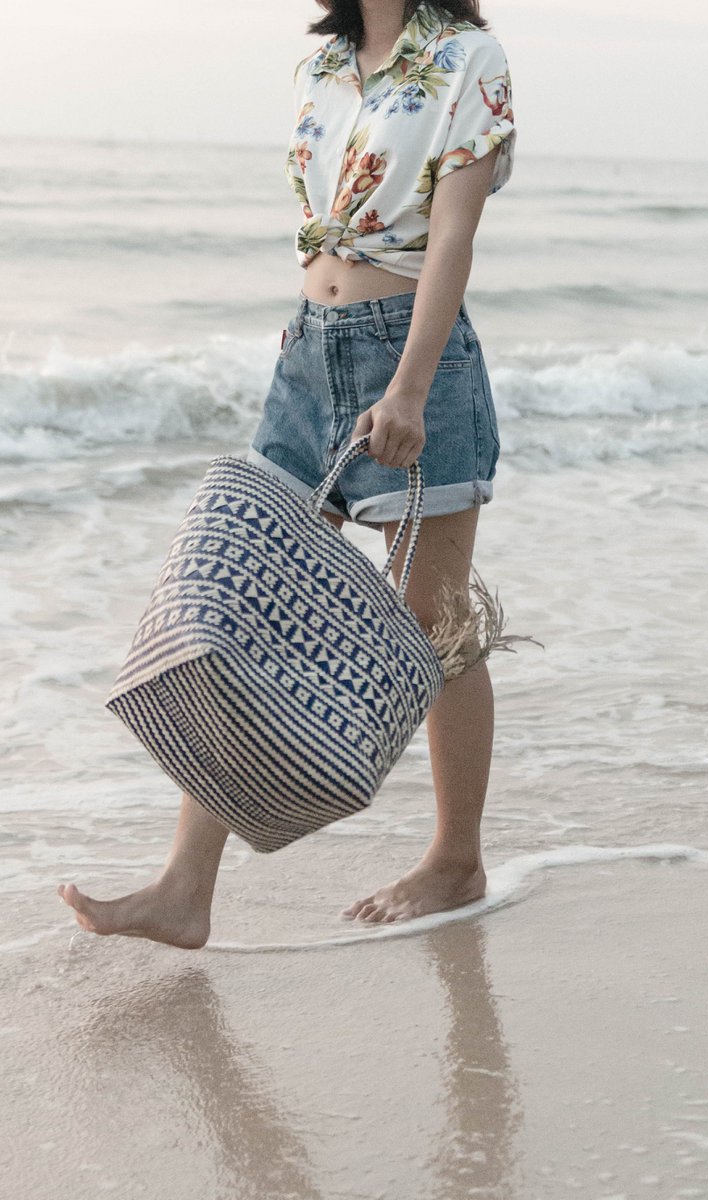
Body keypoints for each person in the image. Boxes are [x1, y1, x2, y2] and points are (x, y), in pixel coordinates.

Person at [59, 0, 517, 947]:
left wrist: (410, 389)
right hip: (308, 352)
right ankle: (186, 888)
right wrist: (310, 352)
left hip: (409, 356)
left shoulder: (467, 56)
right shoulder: (323, 68)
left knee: (436, 622)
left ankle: (455, 860)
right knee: (244, 606)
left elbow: (453, 240)